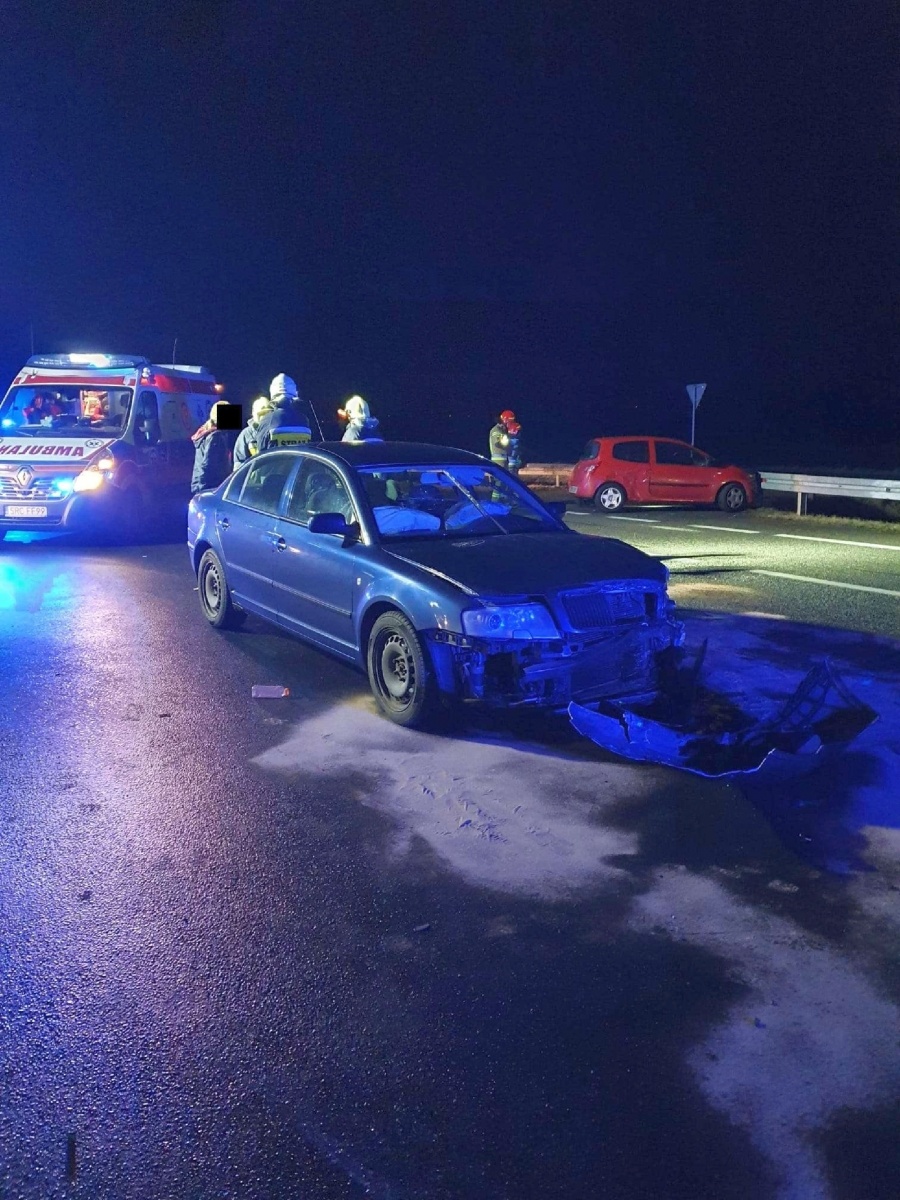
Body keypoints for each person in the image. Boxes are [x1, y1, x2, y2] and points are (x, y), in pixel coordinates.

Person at [255, 374, 313, 453]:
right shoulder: (304, 420)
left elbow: (261, 453)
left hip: (276, 461)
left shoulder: (268, 420)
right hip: (299, 461)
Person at [191, 401, 234, 495]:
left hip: (200, 484)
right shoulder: (216, 437)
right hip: (210, 486)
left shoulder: (206, 432)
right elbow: (208, 464)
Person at [233, 397, 273, 468]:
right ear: (253, 413)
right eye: (261, 414)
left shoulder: (274, 431)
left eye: (267, 413)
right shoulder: (247, 434)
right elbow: (239, 463)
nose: (264, 417)